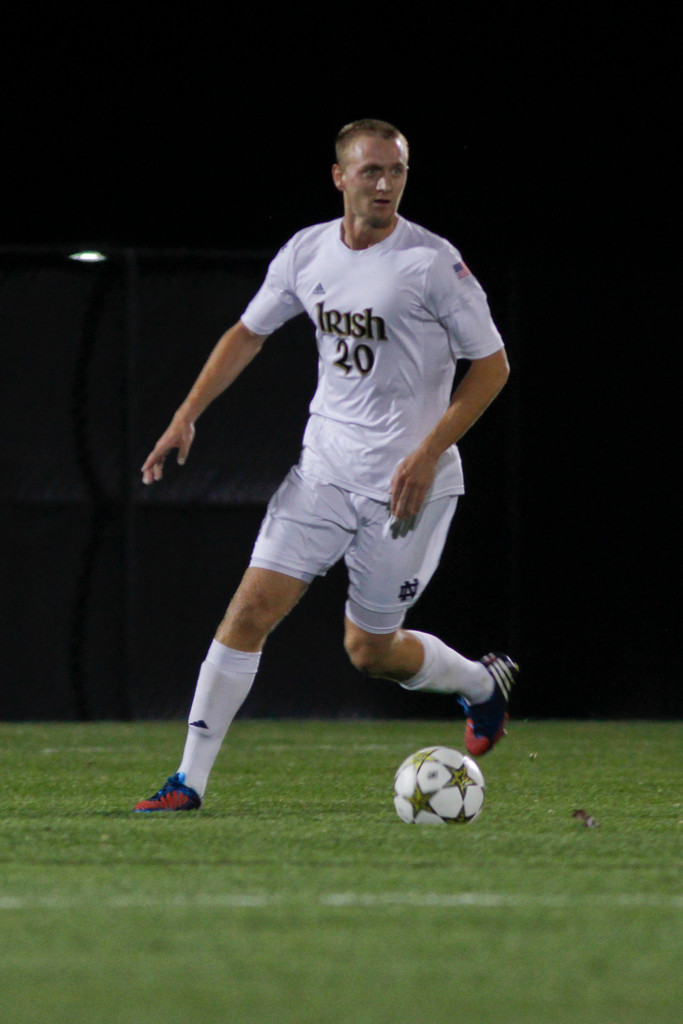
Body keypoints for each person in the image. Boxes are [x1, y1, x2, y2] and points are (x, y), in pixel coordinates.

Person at [134, 118, 518, 813]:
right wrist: (185, 414)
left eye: (396, 171)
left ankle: (481, 684)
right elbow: (248, 333)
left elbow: (492, 367)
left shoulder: (430, 263)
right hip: (321, 475)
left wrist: (426, 453)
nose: (384, 184)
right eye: (371, 171)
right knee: (247, 611)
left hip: (408, 490)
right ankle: (187, 781)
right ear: (338, 176)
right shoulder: (306, 252)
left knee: (369, 652)